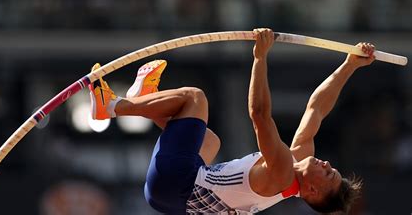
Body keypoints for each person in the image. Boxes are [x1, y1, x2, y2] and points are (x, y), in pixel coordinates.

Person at [88, 28, 374, 214]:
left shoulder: (283, 172)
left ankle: (112, 107)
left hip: (176, 184)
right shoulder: (296, 161)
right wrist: (349, 65)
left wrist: (260, 57)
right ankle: (145, 100)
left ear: (311, 191)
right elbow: (317, 108)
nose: (327, 164)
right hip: (175, 196)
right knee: (210, 141)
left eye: (328, 174)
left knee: (194, 98)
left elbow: (259, 115)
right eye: (331, 168)